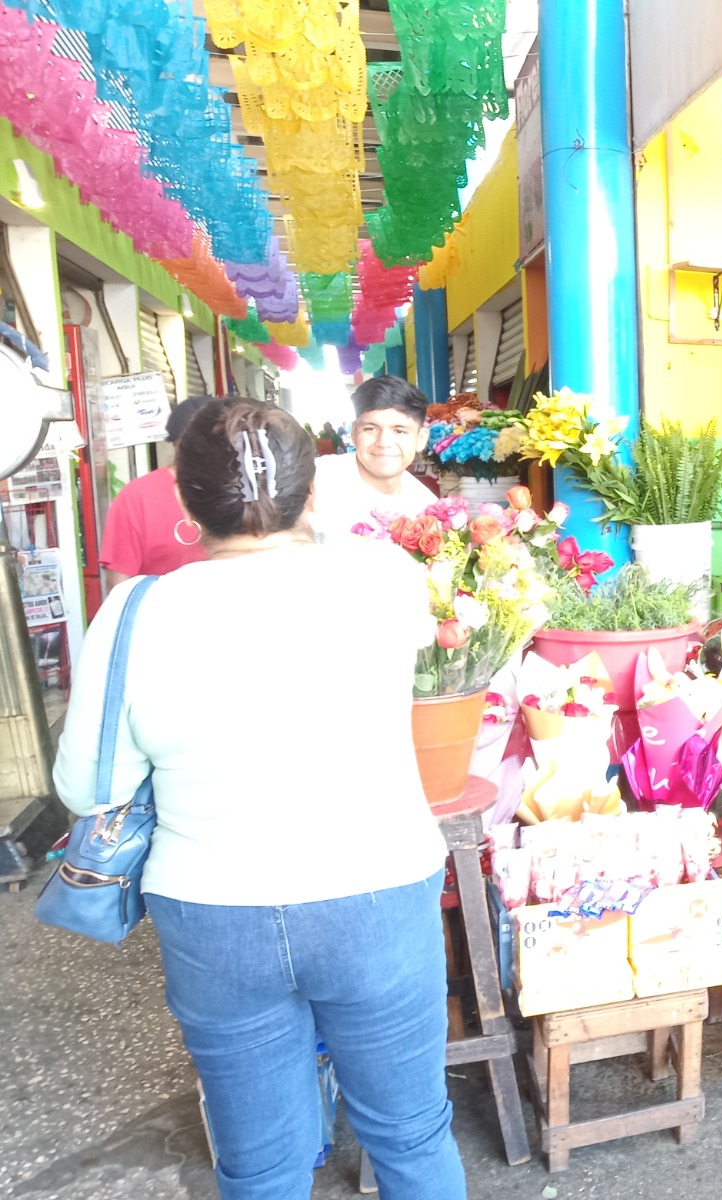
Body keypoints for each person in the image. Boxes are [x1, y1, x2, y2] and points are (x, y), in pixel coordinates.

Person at [52, 399, 466, 1199]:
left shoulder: (131, 613)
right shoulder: (385, 579)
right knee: (410, 1136)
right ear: (314, 494)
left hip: (213, 916)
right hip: (375, 893)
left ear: (181, 500)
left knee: (262, 1162)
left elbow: (85, 787)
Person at [98, 396, 212, 588]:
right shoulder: (137, 498)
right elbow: (119, 588)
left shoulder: (244, 491)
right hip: (163, 616)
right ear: (177, 443)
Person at [309, 376, 436, 538]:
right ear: (354, 432)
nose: (383, 442)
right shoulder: (314, 482)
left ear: (421, 439)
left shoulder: (424, 506)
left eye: (399, 431)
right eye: (370, 429)